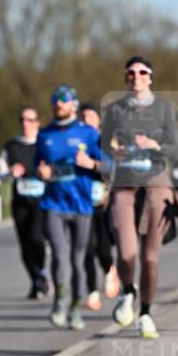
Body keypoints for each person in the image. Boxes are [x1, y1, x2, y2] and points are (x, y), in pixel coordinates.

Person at [102, 56, 178, 340]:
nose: (136, 76)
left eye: (142, 72)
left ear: (150, 77)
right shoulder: (114, 109)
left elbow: (175, 149)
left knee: (149, 258)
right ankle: (127, 290)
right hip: (124, 184)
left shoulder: (163, 109)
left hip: (156, 184)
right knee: (126, 252)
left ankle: (145, 313)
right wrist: (115, 152)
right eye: (131, 72)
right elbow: (104, 146)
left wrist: (154, 145)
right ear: (126, 77)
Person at [36, 85, 103, 331]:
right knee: (59, 254)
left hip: (81, 204)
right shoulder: (45, 135)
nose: (59, 104)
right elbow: (38, 166)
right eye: (55, 100)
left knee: (77, 259)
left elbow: (109, 166)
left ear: (73, 104)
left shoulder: (88, 133)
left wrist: (91, 163)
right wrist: (41, 172)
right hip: (53, 203)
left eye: (64, 101)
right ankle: (60, 300)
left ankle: (76, 306)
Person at [0, 107, 49, 298]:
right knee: (25, 244)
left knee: (36, 238)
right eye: (22, 119)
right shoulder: (11, 146)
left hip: (41, 200)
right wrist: (11, 171)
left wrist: (47, 171)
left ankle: (42, 271)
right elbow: (0, 174)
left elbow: (57, 166)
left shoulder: (45, 143)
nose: (25, 123)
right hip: (20, 201)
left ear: (37, 122)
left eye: (30, 119)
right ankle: (36, 279)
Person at [79, 101, 119, 308]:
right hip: (81, 203)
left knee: (103, 248)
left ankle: (110, 268)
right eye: (83, 117)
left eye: (90, 117)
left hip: (103, 203)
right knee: (87, 248)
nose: (86, 121)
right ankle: (92, 292)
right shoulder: (76, 140)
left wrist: (93, 164)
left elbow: (113, 167)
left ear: (98, 120)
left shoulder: (105, 141)